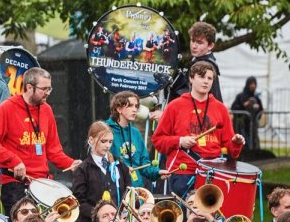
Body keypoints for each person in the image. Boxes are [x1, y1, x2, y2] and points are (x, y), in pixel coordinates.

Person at [0, 67, 81, 214]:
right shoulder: (7, 108)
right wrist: (14, 160)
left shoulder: (47, 109)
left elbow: (53, 150)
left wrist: (71, 163)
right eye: (44, 89)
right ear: (29, 87)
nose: (48, 93)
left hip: (43, 183)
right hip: (16, 183)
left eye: (50, 89)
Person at [151, 60, 242, 198]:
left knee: (208, 218)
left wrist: (236, 142)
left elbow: (232, 150)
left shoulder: (221, 108)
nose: (206, 81)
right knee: (183, 215)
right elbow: (158, 140)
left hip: (212, 172)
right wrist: (180, 141)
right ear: (191, 78)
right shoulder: (175, 106)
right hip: (183, 171)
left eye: (209, 78)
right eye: (201, 76)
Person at [70, 121, 127, 222]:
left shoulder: (119, 165)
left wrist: (118, 216)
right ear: (91, 140)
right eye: (103, 141)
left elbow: (127, 194)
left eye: (110, 142)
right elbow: (78, 202)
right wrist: (100, 215)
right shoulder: (82, 169)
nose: (107, 145)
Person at [105, 91, 161, 191]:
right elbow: (102, 163)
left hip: (137, 189)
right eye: (130, 106)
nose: (134, 110)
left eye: (136, 106)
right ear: (119, 109)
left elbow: (144, 165)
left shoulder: (135, 133)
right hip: (116, 189)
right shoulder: (105, 130)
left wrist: (158, 172)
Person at [167, 21, 223, 101]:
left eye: (199, 43)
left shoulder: (206, 65)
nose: (194, 46)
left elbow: (190, 97)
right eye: (192, 41)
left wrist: (167, 112)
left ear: (210, 46)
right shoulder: (196, 60)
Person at [231, 76, 264, 148]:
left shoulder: (256, 98)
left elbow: (260, 110)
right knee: (242, 143)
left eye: (254, 84)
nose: (253, 86)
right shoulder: (240, 96)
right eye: (251, 84)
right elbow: (234, 108)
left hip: (252, 125)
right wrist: (245, 105)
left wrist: (256, 108)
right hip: (241, 125)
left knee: (253, 142)